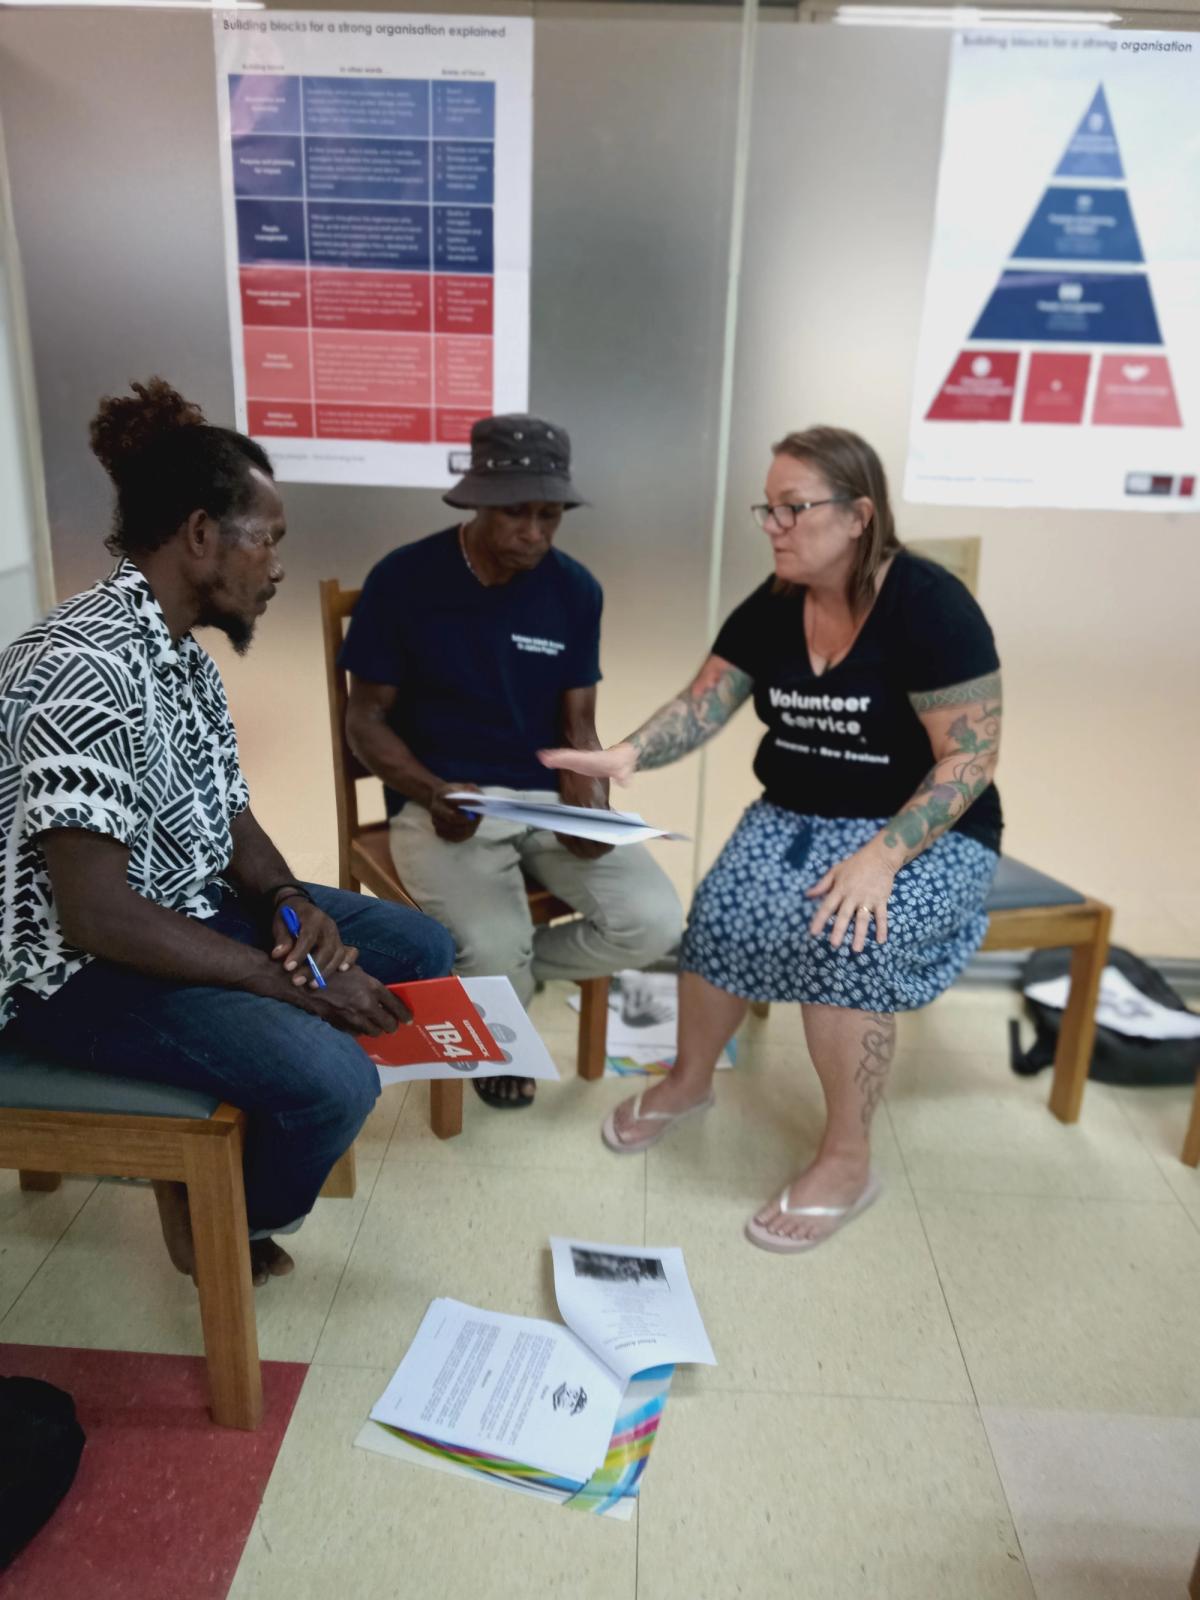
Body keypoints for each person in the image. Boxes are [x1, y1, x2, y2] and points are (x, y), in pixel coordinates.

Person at [0, 379, 455, 1285]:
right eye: (269, 539)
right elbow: (93, 915)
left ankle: (224, 1158)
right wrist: (290, 985)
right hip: (67, 970)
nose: (277, 565)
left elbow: (230, 816)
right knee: (335, 1080)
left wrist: (287, 905)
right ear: (202, 534)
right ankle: (221, 1213)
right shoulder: (77, 665)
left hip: (182, 912)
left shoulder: (178, 656)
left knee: (418, 943)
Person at [541, 425, 1002, 1253]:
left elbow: (969, 758)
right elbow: (706, 702)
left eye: (793, 508)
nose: (774, 526)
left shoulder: (929, 605)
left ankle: (849, 1158)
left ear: (859, 516)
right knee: (718, 915)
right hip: (795, 815)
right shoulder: (778, 601)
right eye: (769, 508)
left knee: (847, 940)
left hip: (923, 832)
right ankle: (688, 1084)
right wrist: (629, 752)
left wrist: (882, 856)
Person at [339, 414, 682, 1110]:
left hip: (545, 799)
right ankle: (498, 975)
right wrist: (430, 790)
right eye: (516, 514)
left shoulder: (575, 591)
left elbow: (578, 724)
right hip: (444, 806)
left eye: (549, 515)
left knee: (655, 923)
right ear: (477, 504)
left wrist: (592, 812)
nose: (534, 533)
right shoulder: (404, 580)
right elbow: (364, 720)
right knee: (490, 947)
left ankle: (510, 977)